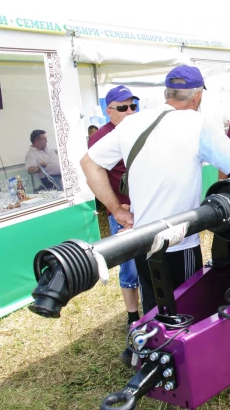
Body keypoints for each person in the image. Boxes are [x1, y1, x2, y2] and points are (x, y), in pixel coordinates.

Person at [81, 65, 230, 317]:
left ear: (168, 93)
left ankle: (149, 349)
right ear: (198, 96)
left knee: (154, 309)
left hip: (141, 240)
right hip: (179, 242)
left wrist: (115, 210)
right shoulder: (197, 123)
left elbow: (89, 164)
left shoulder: (133, 123)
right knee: (186, 310)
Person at [88, 85, 141, 328]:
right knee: (129, 269)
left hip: (147, 208)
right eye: (123, 107)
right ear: (109, 111)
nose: (130, 111)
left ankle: (154, 310)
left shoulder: (141, 130)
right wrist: (117, 208)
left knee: (152, 263)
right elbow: (94, 175)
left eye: (133, 105)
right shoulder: (101, 138)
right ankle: (133, 317)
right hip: (123, 214)